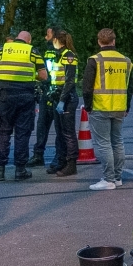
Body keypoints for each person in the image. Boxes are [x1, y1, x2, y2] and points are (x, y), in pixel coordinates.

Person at [0, 31, 48, 181]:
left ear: (16, 38)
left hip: (5, 96)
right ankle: (20, 170)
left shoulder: (2, 49)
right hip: (25, 97)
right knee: (22, 133)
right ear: (28, 41)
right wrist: (30, 75)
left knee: (3, 132)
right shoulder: (32, 51)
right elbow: (43, 76)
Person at [83, 28, 133, 190]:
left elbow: (87, 87)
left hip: (100, 106)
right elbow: (130, 87)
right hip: (119, 106)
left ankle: (108, 179)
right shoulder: (126, 61)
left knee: (104, 144)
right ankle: (117, 177)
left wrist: (88, 106)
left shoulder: (94, 60)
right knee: (117, 142)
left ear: (99, 42)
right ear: (114, 41)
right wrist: (127, 106)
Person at [27, 26, 61, 167]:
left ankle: (58, 156)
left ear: (54, 36)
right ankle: (39, 155)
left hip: (56, 93)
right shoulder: (46, 50)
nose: (45, 37)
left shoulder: (61, 53)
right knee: (42, 125)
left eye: (47, 34)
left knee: (58, 127)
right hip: (47, 92)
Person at [53, 31, 80, 176]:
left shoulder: (69, 56)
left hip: (67, 98)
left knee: (68, 133)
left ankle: (71, 164)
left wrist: (62, 100)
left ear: (57, 40)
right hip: (59, 96)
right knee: (60, 132)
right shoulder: (60, 55)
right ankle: (61, 161)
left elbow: (69, 81)